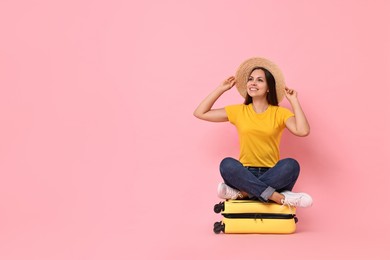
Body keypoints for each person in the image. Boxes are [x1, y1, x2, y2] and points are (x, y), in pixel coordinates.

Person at [193, 57, 313, 208]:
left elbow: (303, 131)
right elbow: (200, 113)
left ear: (269, 87)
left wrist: (294, 100)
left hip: (273, 174)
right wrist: (221, 88)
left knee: (291, 165)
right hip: (244, 174)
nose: (253, 83)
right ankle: (279, 197)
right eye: (250, 79)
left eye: (260, 80)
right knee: (227, 164)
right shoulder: (239, 111)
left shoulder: (280, 113)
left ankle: (243, 194)